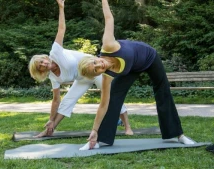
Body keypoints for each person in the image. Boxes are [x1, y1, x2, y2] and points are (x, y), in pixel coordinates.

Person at [78, 0, 195, 150]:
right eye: (96, 70)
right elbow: (103, 105)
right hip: (131, 68)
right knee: (113, 97)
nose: (99, 66)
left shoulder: (108, 45)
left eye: (95, 63)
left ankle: (179, 135)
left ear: (95, 57)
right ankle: (98, 140)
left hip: (149, 57)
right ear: (98, 74)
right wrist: (94, 130)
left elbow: (109, 19)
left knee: (163, 90)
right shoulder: (107, 76)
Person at [28, 0, 133, 137]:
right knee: (67, 100)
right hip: (82, 77)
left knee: (110, 95)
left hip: (95, 69)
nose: (43, 64)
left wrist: (61, 7)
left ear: (45, 58)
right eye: (40, 67)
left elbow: (61, 29)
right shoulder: (53, 77)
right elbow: (56, 100)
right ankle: (50, 129)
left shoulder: (55, 52)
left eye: (41, 61)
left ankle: (127, 127)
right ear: (40, 71)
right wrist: (50, 120)